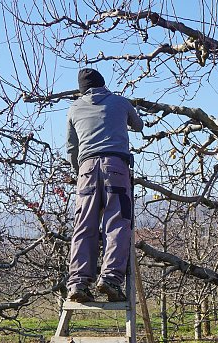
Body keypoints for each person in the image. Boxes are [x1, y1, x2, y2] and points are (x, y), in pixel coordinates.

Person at [66, 68, 143, 302]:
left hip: (86, 170)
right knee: (117, 222)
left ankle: (78, 283)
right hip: (116, 167)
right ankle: (110, 279)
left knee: (84, 224)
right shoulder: (120, 102)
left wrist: (79, 172)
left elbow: (72, 149)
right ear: (103, 84)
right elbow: (138, 125)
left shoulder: (74, 108)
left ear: (82, 90)